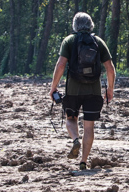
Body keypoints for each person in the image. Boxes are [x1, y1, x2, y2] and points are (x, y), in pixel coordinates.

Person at [49, 12, 115, 170]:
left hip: (73, 89)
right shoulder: (98, 42)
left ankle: (75, 140)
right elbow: (110, 69)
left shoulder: (69, 41)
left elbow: (60, 65)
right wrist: (110, 90)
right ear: (91, 25)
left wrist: (53, 87)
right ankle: (83, 161)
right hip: (94, 90)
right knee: (89, 126)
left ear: (74, 26)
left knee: (71, 118)